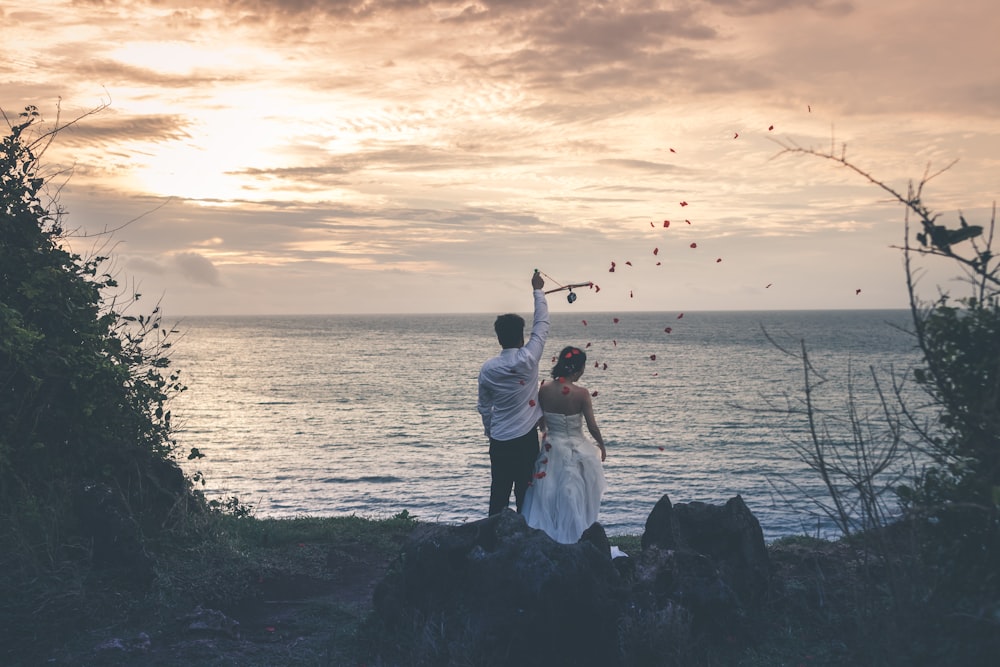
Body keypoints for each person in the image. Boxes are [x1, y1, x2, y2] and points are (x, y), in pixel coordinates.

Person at [478, 270, 549, 516]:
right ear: (522, 337)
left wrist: (490, 430)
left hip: (499, 440)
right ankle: (523, 538)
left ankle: (491, 541)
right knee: (524, 492)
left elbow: (484, 407)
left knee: (498, 491)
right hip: (525, 439)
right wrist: (538, 290)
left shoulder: (488, 369)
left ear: (499, 339)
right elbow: (542, 325)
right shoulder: (529, 358)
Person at [522, 345, 608, 544]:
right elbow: (592, 427)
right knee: (575, 496)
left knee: (548, 496)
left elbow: (541, 422)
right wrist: (602, 446)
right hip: (576, 449)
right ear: (577, 369)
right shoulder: (582, 394)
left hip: (551, 448)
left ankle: (549, 538)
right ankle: (576, 538)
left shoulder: (544, 390)